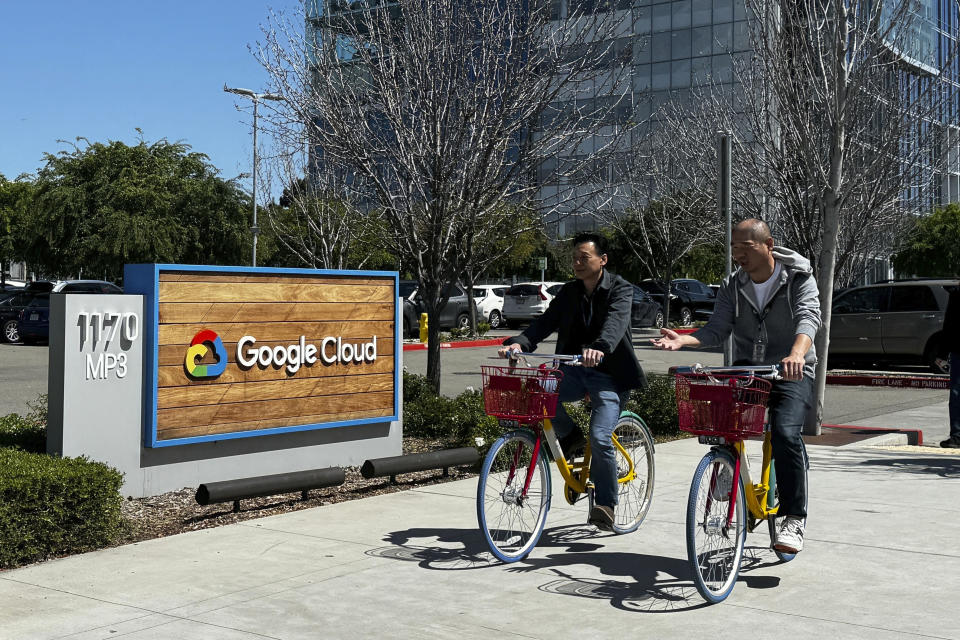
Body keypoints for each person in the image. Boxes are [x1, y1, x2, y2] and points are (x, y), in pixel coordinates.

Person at [652, 219, 821, 554]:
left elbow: (809, 318)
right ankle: (727, 468)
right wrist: (684, 340)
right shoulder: (733, 284)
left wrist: (796, 354)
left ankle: (793, 518)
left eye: (746, 246)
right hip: (750, 369)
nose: (738, 254)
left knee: (786, 433)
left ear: (768, 244)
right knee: (720, 422)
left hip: (791, 369)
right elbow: (717, 329)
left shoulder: (798, 278)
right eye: (734, 247)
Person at [498, 232, 647, 531]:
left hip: (610, 375)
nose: (578, 263)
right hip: (576, 369)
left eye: (584, 258)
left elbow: (615, 324)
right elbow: (544, 323)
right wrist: (520, 343)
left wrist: (600, 348)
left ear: (602, 260)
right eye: (575, 258)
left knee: (601, 437)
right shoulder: (569, 292)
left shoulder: (620, 289)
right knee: (540, 393)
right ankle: (570, 437)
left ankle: (606, 504)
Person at [940, 286, 960, 448]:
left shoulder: (956, 293)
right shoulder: (956, 293)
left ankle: (957, 435)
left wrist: (941, 353)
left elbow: (949, 323)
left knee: (957, 393)